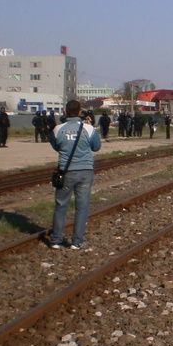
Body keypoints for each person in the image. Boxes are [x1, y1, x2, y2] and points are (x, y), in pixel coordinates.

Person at [48, 100, 102, 250]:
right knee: (82, 206)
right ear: (80, 113)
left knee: (61, 205)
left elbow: (55, 145)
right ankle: (77, 241)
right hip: (85, 170)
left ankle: (56, 240)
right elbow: (96, 147)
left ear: (65, 112)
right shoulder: (88, 128)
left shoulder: (58, 129)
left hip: (66, 171)